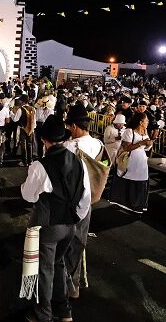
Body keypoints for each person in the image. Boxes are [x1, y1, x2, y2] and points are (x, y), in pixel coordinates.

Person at [20, 114, 90, 322]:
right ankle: (64, 309)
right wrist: (75, 218)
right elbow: (85, 197)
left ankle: (43, 313)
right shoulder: (79, 161)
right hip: (70, 224)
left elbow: (28, 195)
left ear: (44, 140)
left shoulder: (41, 165)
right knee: (59, 264)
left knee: (44, 269)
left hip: (47, 225)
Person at [62, 103, 103, 299]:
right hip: (88, 200)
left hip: (68, 201)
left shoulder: (69, 147)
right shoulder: (98, 145)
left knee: (63, 243)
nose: (69, 130)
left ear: (75, 126)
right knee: (79, 242)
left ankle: (63, 284)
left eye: (69, 126)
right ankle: (74, 285)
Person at [108, 112, 153, 214]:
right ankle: (124, 202)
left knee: (141, 180)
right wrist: (142, 143)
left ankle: (136, 205)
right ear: (141, 122)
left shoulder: (145, 131)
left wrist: (149, 144)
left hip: (141, 160)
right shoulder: (129, 131)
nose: (148, 122)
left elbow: (146, 148)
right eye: (146, 120)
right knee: (128, 179)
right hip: (130, 160)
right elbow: (127, 147)